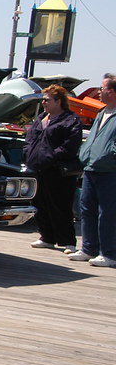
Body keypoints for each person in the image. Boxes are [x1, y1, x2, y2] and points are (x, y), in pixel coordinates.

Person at [23, 84, 82, 253]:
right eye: (43, 99)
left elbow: (70, 145)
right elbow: (30, 139)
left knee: (61, 205)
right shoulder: (41, 118)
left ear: (58, 101)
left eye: (47, 100)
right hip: (38, 168)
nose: (44, 103)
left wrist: (50, 157)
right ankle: (46, 237)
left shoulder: (70, 120)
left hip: (58, 170)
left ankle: (68, 241)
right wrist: (29, 155)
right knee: (40, 204)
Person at [68, 73, 116, 267]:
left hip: (110, 170)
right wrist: (85, 153)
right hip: (91, 168)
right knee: (87, 209)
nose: (99, 92)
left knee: (108, 213)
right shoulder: (102, 112)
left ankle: (109, 253)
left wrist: (110, 156)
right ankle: (89, 248)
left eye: (102, 89)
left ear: (112, 91)